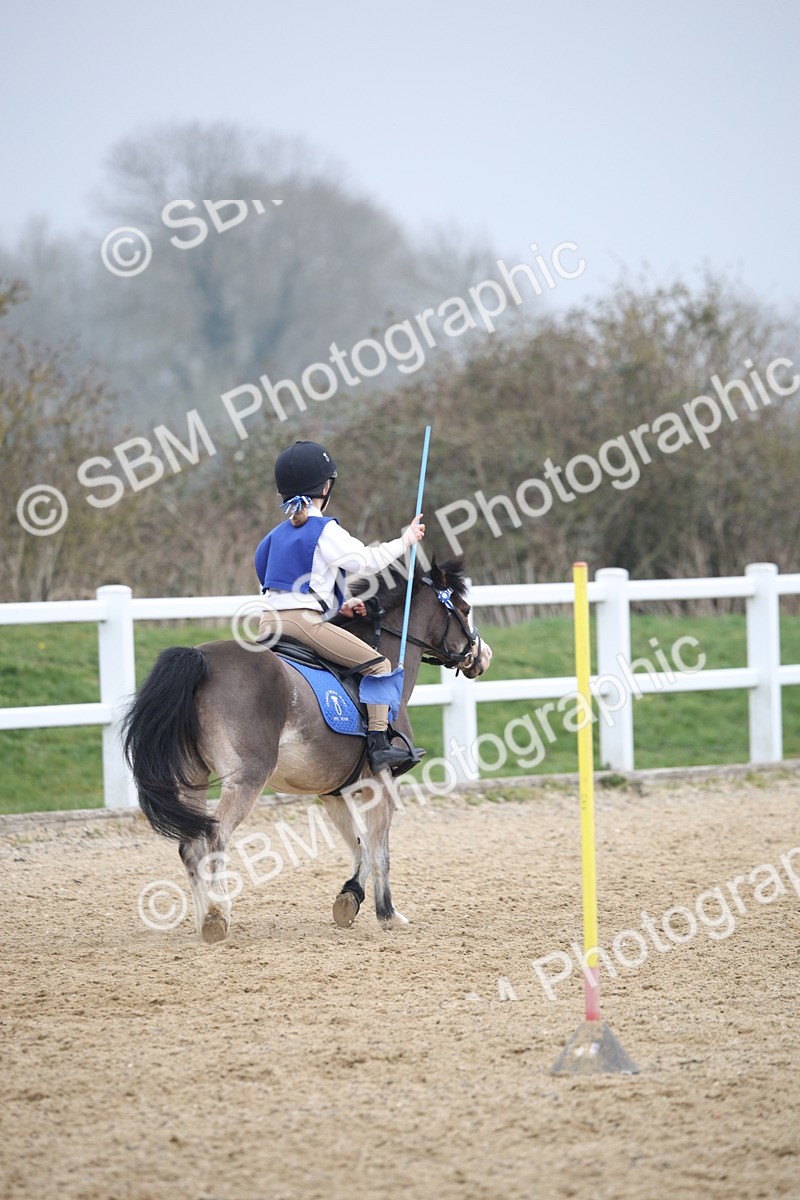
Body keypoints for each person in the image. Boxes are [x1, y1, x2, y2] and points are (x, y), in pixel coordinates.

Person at [254, 440, 425, 773]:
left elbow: (281, 582)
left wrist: (339, 606)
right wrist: (405, 540)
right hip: (304, 625)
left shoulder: (271, 537)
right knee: (378, 664)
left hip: (266, 624)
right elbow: (367, 561)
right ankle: (379, 746)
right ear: (326, 487)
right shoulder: (324, 530)